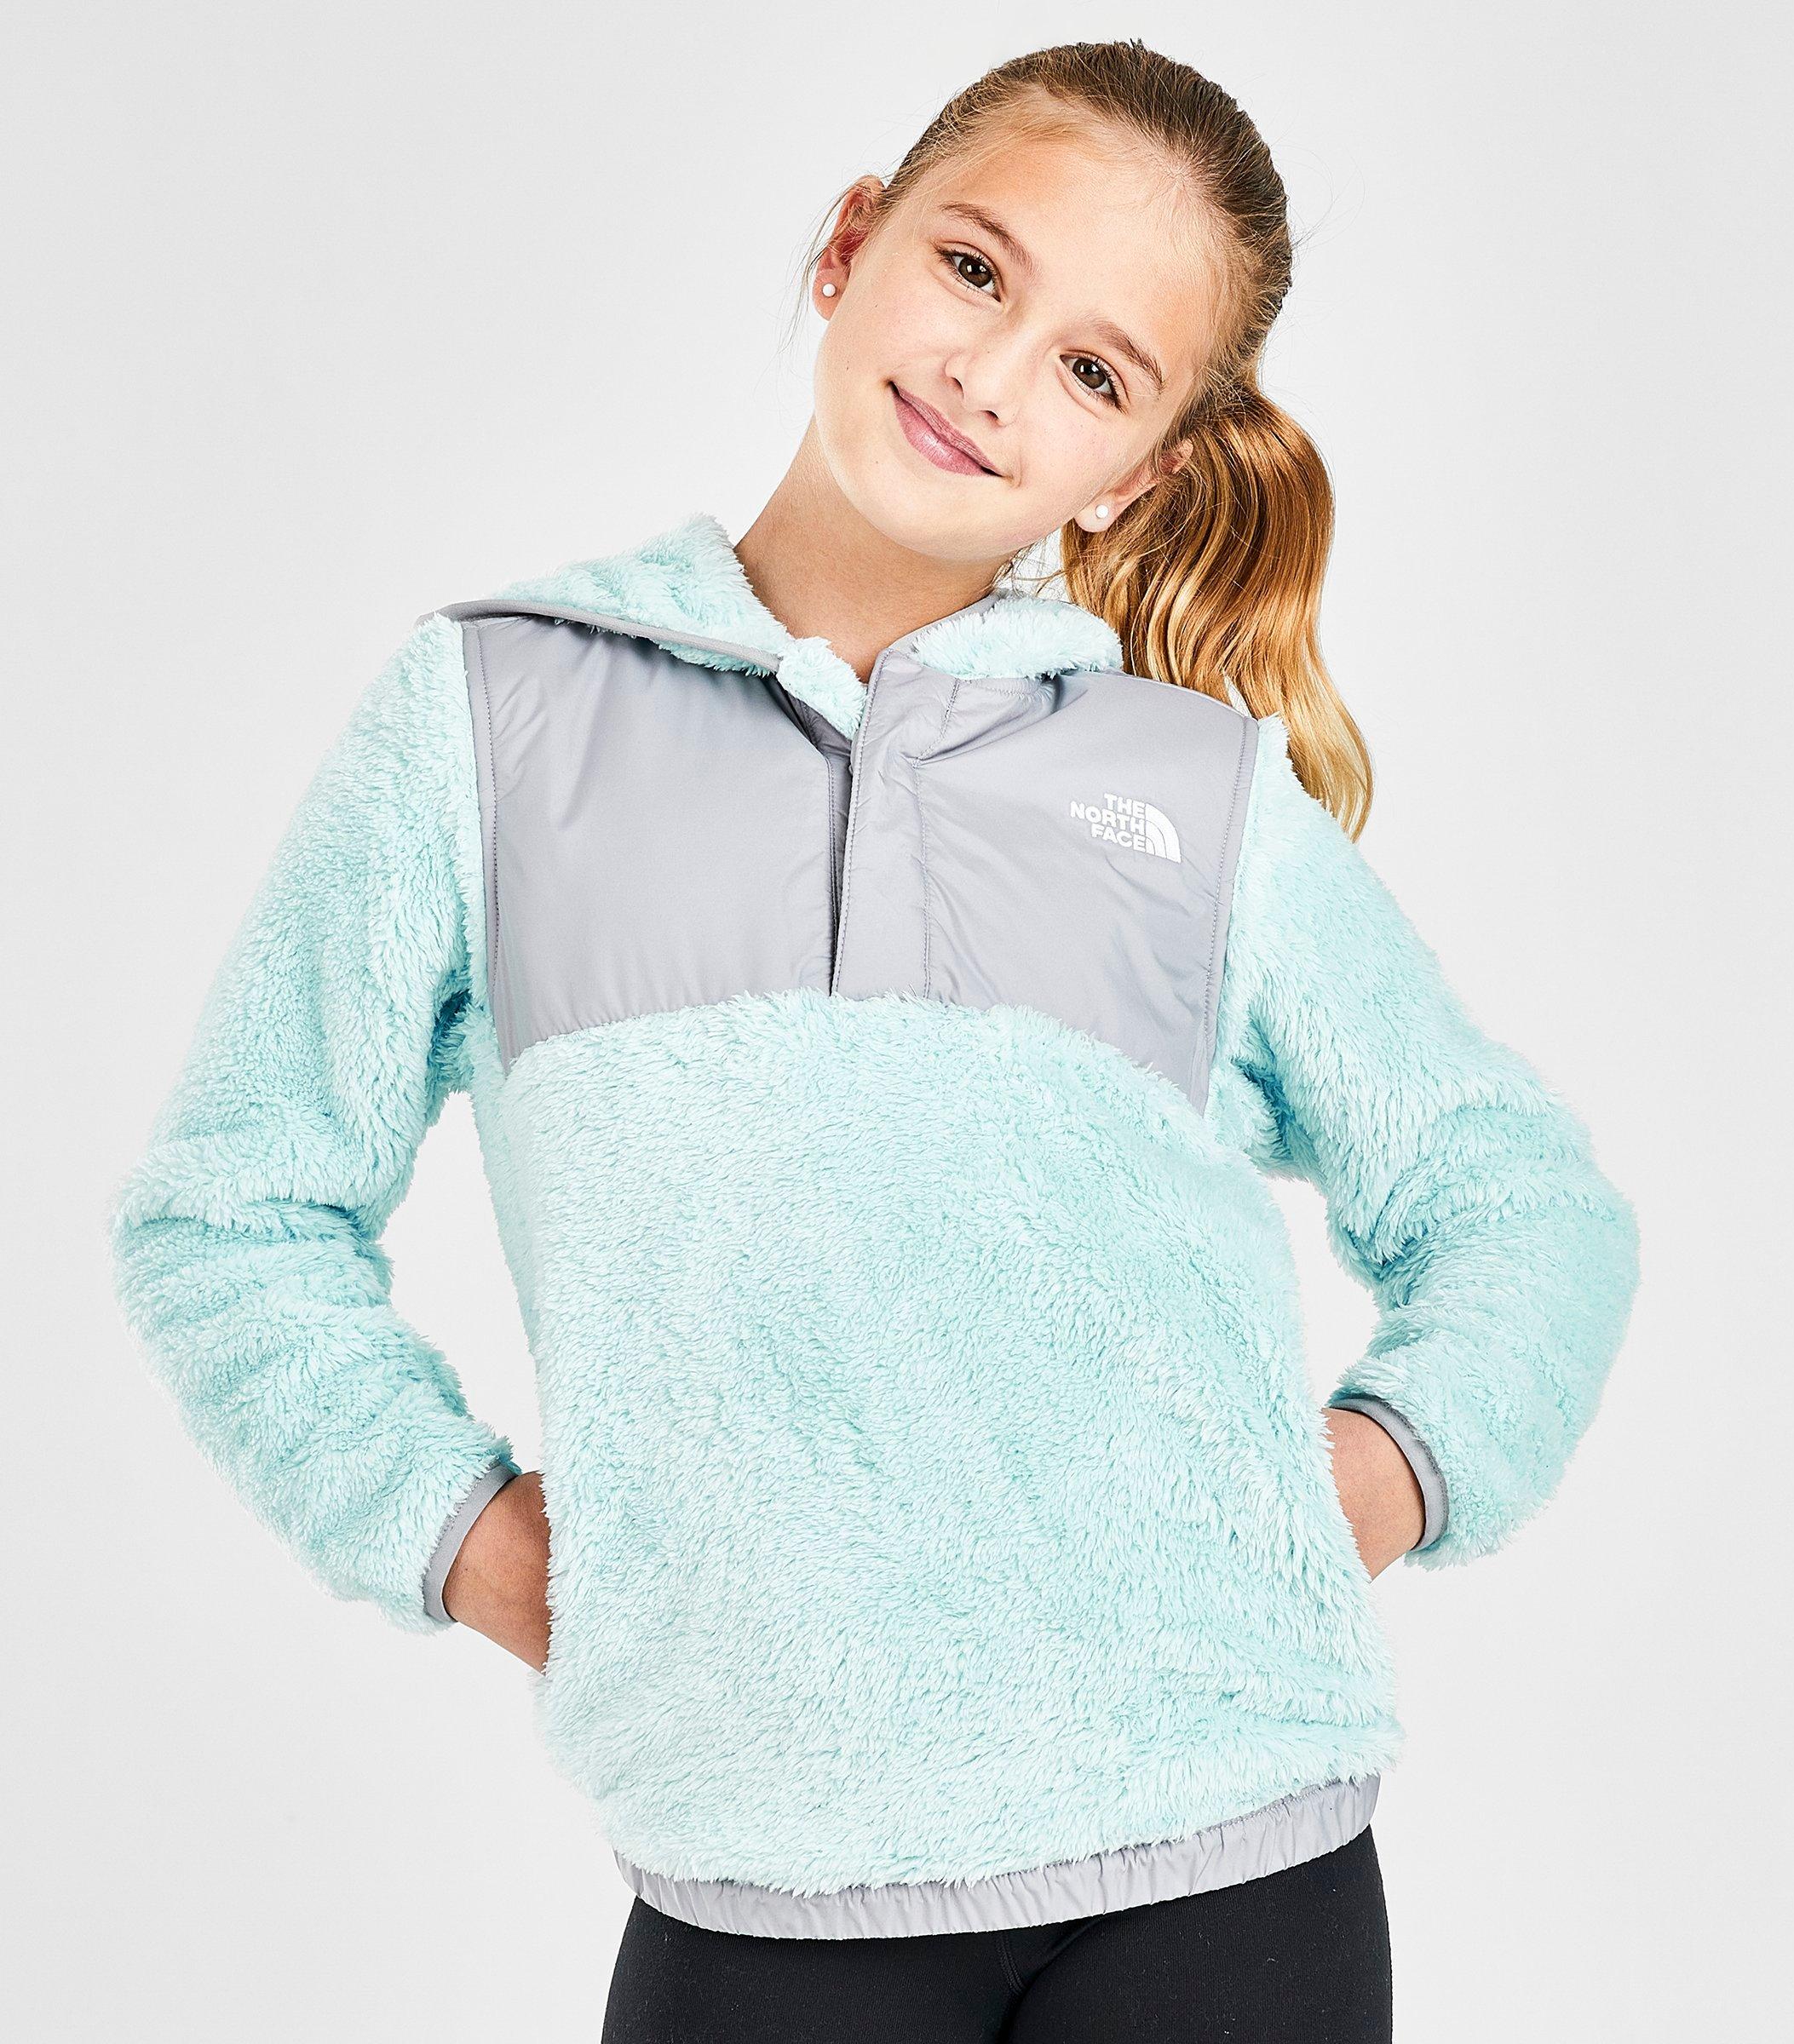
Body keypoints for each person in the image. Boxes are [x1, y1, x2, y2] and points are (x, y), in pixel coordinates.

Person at [107, 38, 1641, 2043]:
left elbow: (1522, 1206)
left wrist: (1357, 1485)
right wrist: (470, 1544)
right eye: (974, 269)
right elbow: (226, 1217)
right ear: (853, 244)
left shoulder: (1199, 800)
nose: (993, 377)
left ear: (1142, 470)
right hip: (758, 1879)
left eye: (1095, 372)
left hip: (1232, 1864)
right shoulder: (492, 715)